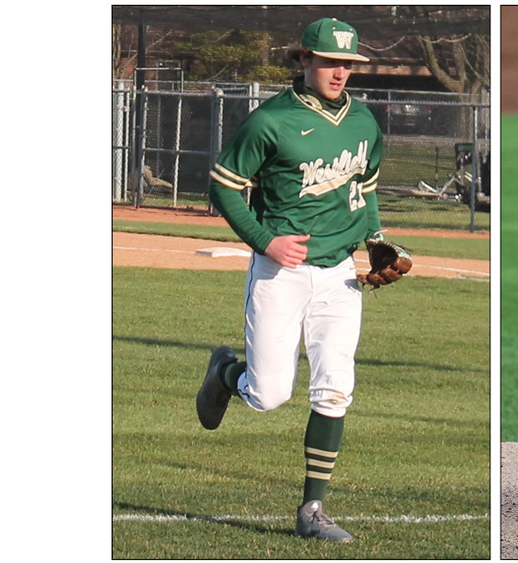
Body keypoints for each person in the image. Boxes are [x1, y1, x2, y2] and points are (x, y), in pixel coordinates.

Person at [195, 17, 388, 542]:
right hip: (282, 272)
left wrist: (375, 241)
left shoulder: (364, 122)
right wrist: (265, 241)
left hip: (340, 275)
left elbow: (365, 190)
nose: (339, 72)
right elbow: (224, 187)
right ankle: (224, 375)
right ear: (303, 60)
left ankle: (312, 511)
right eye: (329, 62)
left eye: (347, 63)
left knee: (335, 390)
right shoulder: (271, 121)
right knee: (269, 394)